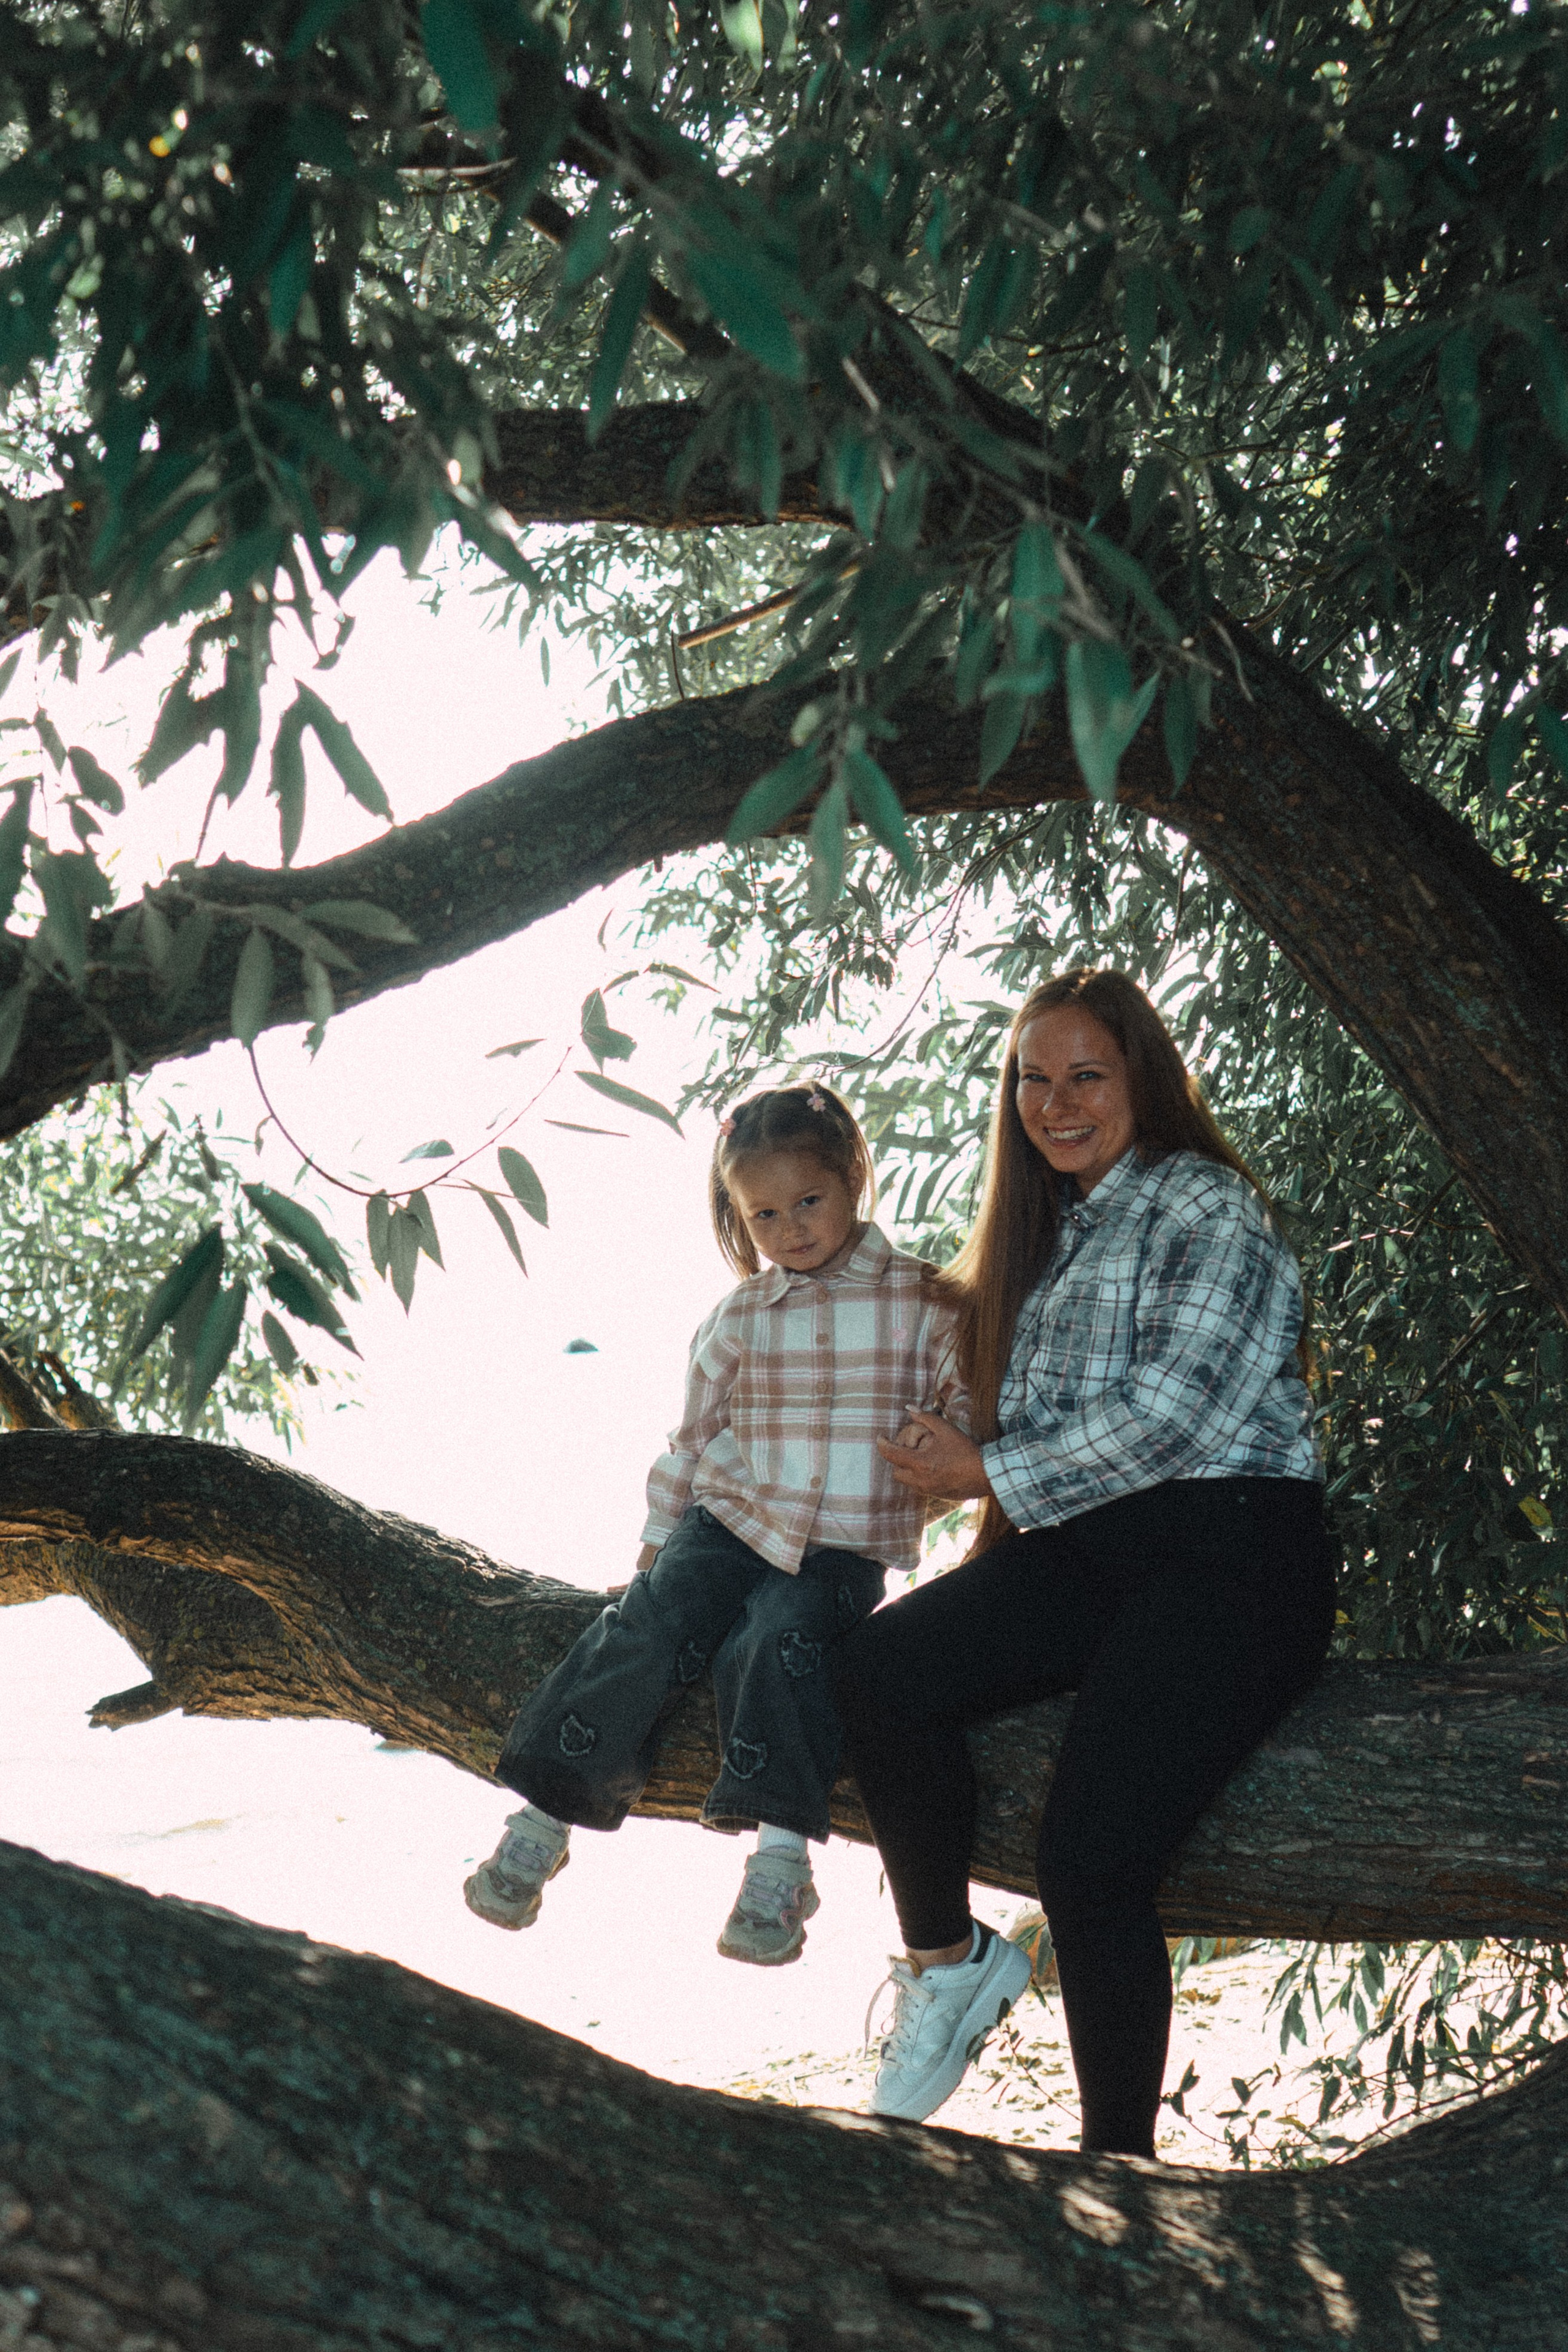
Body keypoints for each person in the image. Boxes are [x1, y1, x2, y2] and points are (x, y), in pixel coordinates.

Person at [832, 967, 1335, 2152]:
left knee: (1091, 1860)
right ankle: (950, 1964)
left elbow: (1172, 1416)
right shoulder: (1051, 1231)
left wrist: (984, 1476)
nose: (1055, 1103)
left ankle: (1121, 2172)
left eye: (1086, 1076)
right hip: (1093, 1551)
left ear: (1141, 1080)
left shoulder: (1205, 1206)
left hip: (1232, 1551)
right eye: (1032, 1080)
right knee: (877, 1670)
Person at [465, 1082, 967, 1966]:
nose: (790, 1229)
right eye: (763, 1214)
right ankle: (543, 1816)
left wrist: (949, 1452)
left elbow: (964, 1425)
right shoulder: (740, 1316)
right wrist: (659, 1543)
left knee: (779, 1641)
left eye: (808, 1201)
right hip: (730, 1522)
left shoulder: (928, 1303)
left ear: (853, 1177)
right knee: (649, 1626)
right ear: (739, 1218)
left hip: (842, 1544)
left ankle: (782, 1863)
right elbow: (692, 1441)